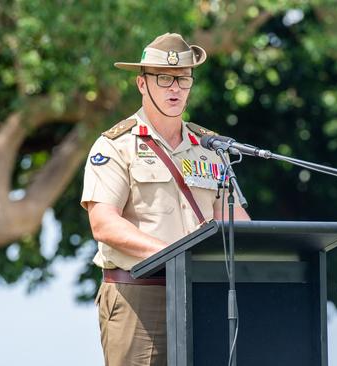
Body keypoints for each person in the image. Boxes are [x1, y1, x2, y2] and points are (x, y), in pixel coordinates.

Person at [80, 32, 250, 366]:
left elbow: (234, 218)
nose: (174, 89)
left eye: (183, 80)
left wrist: (260, 253)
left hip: (204, 291)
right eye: (164, 79)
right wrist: (175, 256)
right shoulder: (115, 145)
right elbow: (104, 224)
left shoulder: (211, 148)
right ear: (141, 84)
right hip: (141, 297)